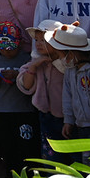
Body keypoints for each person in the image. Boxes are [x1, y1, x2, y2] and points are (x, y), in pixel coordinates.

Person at [47, 23, 90, 145]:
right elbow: (67, 97)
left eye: (61, 54)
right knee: (87, 162)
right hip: (80, 126)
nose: (60, 58)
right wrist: (68, 121)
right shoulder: (70, 71)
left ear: (72, 53)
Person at [0, 21, 38, 178]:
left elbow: (32, 84)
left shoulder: (26, 59)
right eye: (2, 48)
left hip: (23, 110)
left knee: (26, 145)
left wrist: (18, 76)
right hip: (1, 110)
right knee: (6, 146)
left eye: (10, 47)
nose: (6, 52)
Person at [17, 19, 68, 156]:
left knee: (70, 151)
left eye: (44, 40)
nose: (39, 44)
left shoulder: (66, 64)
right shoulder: (36, 62)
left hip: (67, 116)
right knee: (50, 153)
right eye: (37, 40)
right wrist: (33, 67)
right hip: (45, 114)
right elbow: (26, 85)